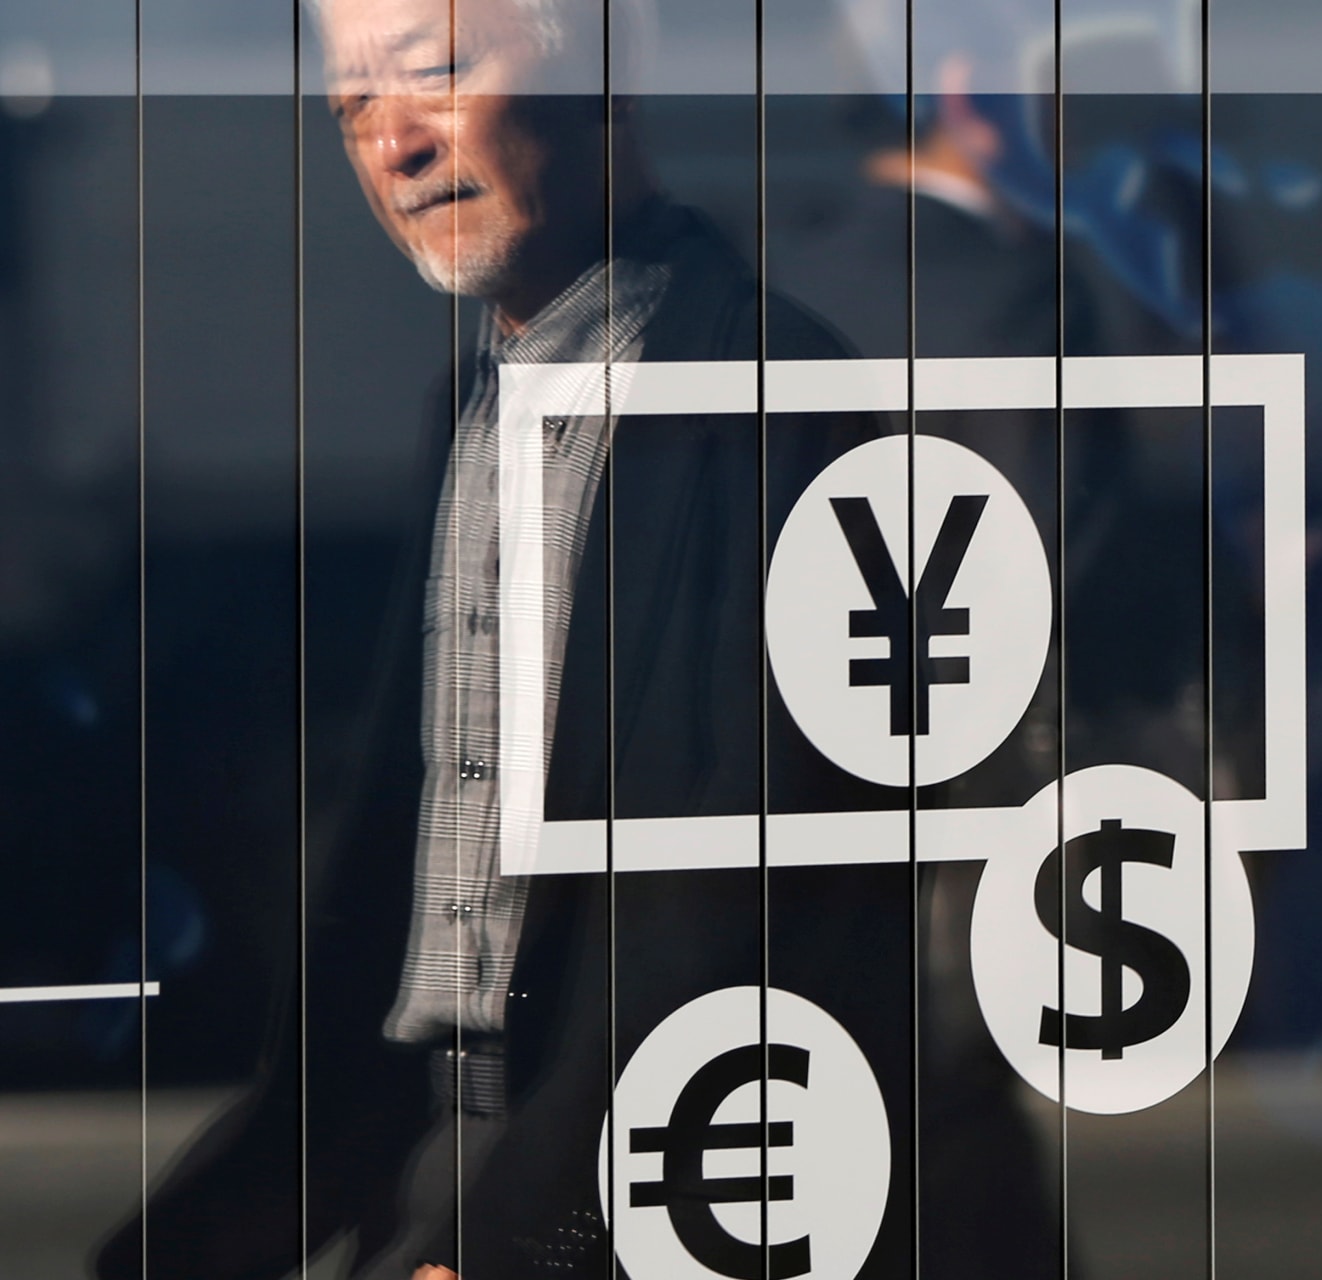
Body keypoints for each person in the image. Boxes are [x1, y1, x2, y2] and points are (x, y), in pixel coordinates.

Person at [94, 0, 862, 1276]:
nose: (391, 141)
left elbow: (730, 904)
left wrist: (524, 1225)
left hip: (617, 1163)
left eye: (435, 75)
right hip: (436, 1143)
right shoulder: (477, 403)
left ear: (607, 74)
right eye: (351, 106)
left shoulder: (765, 395)